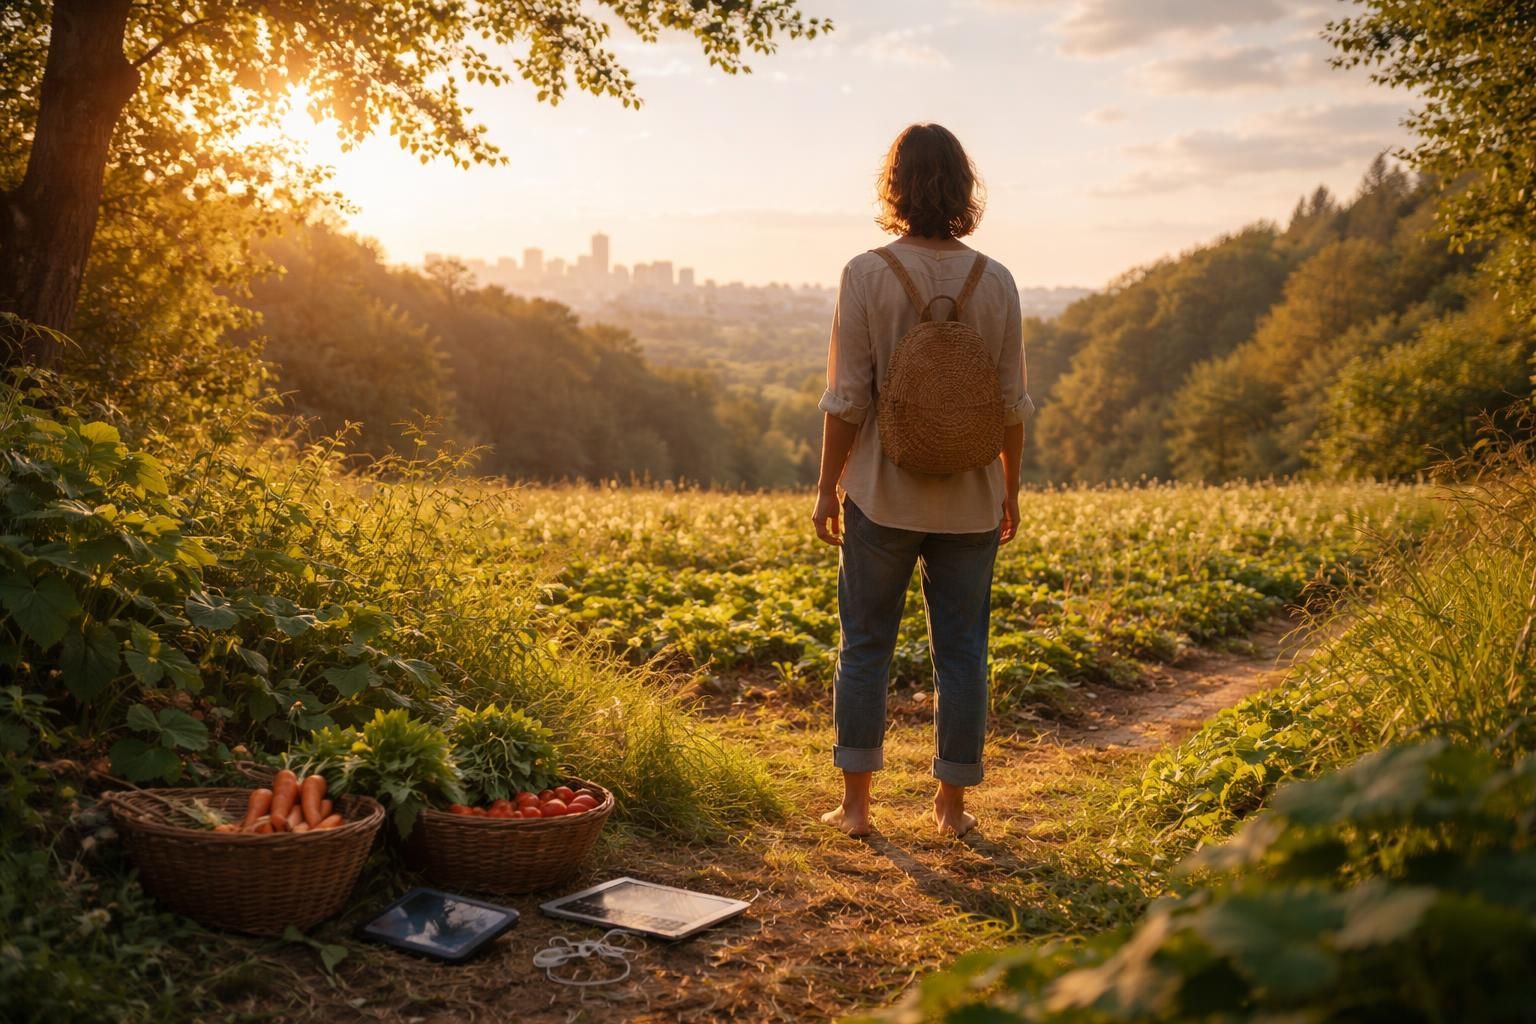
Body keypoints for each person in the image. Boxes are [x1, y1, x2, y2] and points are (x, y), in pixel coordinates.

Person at [812, 123, 1032, 838]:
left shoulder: (866, 273)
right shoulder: (995, 280)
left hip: (883, 490)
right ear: (965, 189)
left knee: (867, 643)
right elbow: (1011, 403)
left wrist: (826, 488)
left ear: (895, 186)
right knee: (963, 650)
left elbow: (847, 398)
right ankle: (953, 807)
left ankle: (855, 807)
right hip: (971, 499)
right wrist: (1011, 488)